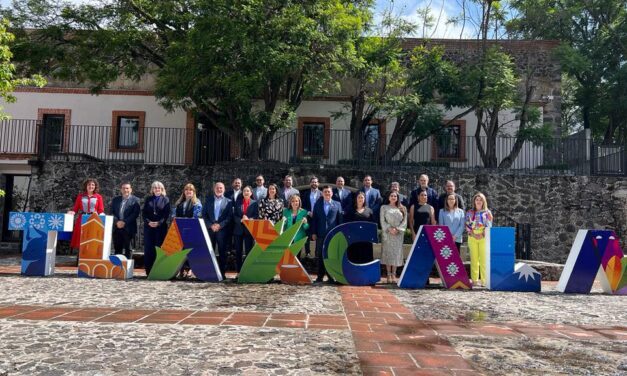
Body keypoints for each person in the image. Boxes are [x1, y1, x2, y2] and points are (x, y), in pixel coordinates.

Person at [311, 185, 342, 283]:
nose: (327, 193)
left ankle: (330, 277)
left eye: (329, 192)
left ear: (332, 193)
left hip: (332, 234)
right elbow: (314, 220)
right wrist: (313, 232)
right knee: (320, 255)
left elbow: (340, 220)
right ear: (322, 193)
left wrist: (339, 233)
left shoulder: (337, 204)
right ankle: (319, 277)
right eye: (325, 192)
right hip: (320, 234)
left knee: (331, 255)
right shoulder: (318, 204)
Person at [171, 183, 203, 279]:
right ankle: (180, 269)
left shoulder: (197, 203)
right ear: (184, 192)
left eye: (191, 190)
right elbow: (173, 216)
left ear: (194, 192)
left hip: (191, 230)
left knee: (189, 251)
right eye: (186, 190)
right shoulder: (179, 203)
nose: (188, 191)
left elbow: (196, 216)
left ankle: (189, 269)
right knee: (180, 250)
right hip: (180, 231)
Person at [203, 182, 233, 279]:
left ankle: (221, 273)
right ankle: (209, 273)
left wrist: (220, 225)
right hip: (210, 230)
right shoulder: (208, 200)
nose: (219, 189)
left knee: (222, 252)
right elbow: (204, 215)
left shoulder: (228, 201)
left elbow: (229, 217)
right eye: (217, 188)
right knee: (209, 251)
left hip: (222, 230)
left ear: (224, 189)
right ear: (214, 189)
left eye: (221, 188)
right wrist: (210, 225)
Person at [68, 178, 105, 251]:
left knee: (91, 237)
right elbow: (75, 209)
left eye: (93, 185)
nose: (91, 186)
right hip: (82, 219)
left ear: (95, 186)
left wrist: (101, 215)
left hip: (93, 219)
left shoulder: (98, 197)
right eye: (89, 185)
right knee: (81, 237)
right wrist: (72, 212)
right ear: (86, 186)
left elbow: (101, 210)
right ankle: (79, 257)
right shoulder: (80, 196)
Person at [142, 181, 170, 275]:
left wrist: (158, 223)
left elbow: (166, 214)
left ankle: (158, 270)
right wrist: (149, 222)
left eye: (159, 188)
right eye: (155, 188)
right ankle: (149, 271)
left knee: (159, 249)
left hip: (160, 229)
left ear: (162, 189)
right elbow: (144, 213)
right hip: (149, 228)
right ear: (152, 189)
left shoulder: (166, 200)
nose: (157, 189)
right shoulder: (148, 199)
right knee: (149, 249)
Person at [466, 192, 493, 287]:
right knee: (474, 259)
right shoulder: (469, 212)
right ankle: (474, 280)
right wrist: (473, 234)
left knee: (483, 259)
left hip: (483, 238)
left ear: (483, 201)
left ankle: (484, 281)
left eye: (480, 199)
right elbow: (467, 225)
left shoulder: (488, 212)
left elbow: (489, 225)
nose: (478, 201)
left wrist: (482, 234)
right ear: (474, 201)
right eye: (477, 199)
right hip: (472, 237)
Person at [380, 192, 407, 283]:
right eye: (391, 196)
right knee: (388, 253)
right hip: (387, 234)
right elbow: (382, 220)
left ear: (397, 198)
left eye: (395, 196)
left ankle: (394, 274)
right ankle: (388, 274)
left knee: (396, 253)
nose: (393, 197)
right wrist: (389, 228)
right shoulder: (384, 207)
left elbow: (405, 221)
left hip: (398, 234)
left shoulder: (403, 208)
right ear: (388, 197)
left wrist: (398, 229)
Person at [109, 182, 140, 260]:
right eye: (123, 188)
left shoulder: (135, 200)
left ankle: (127, 269)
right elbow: (111, 212)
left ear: (131, 190)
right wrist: (117, 222)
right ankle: (117, 268)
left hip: (128, 228)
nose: (125, 190)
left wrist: (124, 222)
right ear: (121, 190)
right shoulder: (116, 200)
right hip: (117, 228)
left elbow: (135, 214)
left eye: (127, 188)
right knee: (117, 248)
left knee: (128, 249)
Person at [344, 191, 374, 264]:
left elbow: (372, 225)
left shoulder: (369, 211)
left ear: (364, 199)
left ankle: (364, 274)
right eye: (359, 197)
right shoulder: (350, 210)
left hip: (365, 239)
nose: (360, 199)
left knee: (365, 258)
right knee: (353, 257)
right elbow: (346, 224)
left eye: (362, 197)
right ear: (356, 199)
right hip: (353, 239)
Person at [233, 186, 258, 272]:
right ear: (242, 193)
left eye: (248, 191)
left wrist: (249, 220)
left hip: (249, 230)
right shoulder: (238, 202)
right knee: (238, 252)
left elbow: (256, 215)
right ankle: (239, 272)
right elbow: (234, 215)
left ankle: (248, 271)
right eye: (244, 191)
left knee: (249, 251)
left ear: (251, 193)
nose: (246, 192)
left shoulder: (254, 203)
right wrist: (241, 220)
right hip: (238, 230)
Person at [300, 176, 321, 257]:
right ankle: (307, 254)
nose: (314, 183)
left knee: (317, 237)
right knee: (307, 236)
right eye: (312, 182)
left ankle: (316, 255)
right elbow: (303, 206)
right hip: (308, 218)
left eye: (315, 182)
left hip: (318, 219)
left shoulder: (322, 194)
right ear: (310, 183)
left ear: (318, 183)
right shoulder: (306, 194)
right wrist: (308, 212)